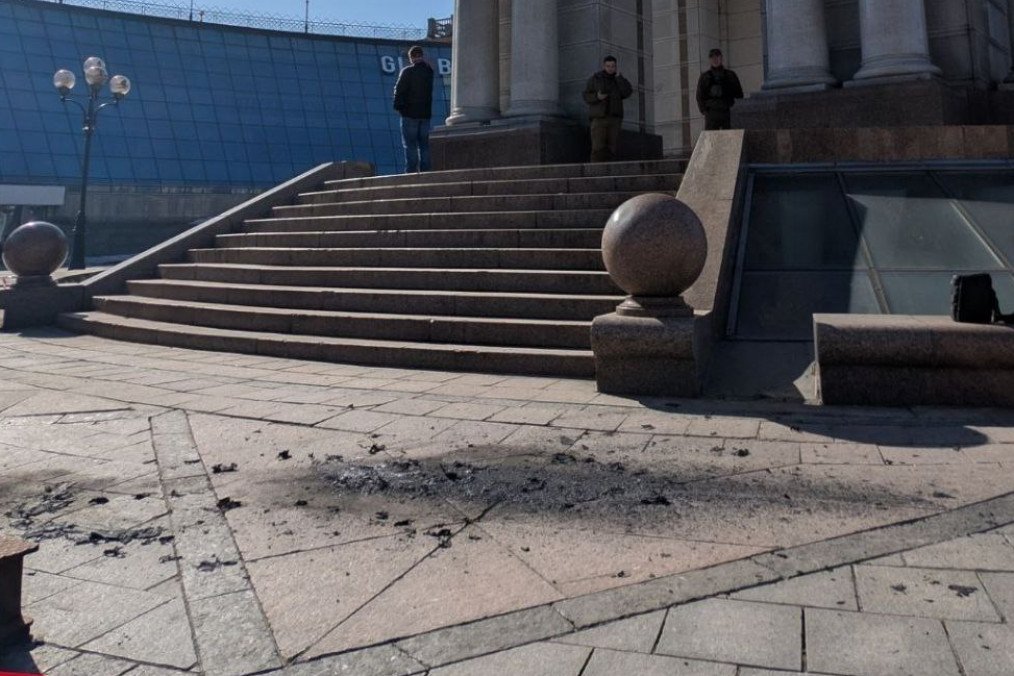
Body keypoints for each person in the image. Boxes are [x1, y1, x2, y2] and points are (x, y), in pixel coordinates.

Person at [583, 56, 633, 162]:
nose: (610, 68)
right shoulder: (595, 78)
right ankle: (596, 172)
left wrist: (619, 78)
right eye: (608, 66)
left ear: (616, 67)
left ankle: (611, 171)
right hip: (599, 117)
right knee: (597, 147)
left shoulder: (619, 79)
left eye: (613, 66)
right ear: (604, 66)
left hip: (614, 118)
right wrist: (597, 97)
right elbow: (586, 96)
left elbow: (627, 92)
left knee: (612, 146)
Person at [393, 45, 434, 173]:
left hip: (409, 114)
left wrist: (398, 108)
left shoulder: (407, 71)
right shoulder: (429, 72)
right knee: (424, 146)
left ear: (411, 58)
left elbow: (399, 91)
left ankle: (411, 173)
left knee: (410, 146)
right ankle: (426, 171)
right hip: (425, 115)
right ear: (422, 56)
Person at [696, 48, 744, 131]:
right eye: (712, 57)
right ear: (710, 60)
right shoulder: (705, 77)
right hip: (711, 111)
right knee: (711, 139)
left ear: (721, 58)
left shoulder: (730, 75)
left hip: (727, 110)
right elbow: (699, 95)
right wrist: (704, 110)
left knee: (728, 137)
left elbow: (739, 94)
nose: (715, 60)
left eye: (717, 57)